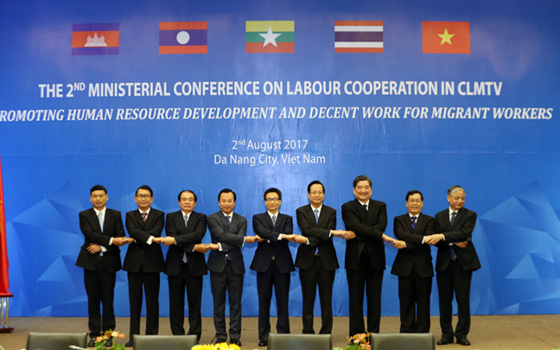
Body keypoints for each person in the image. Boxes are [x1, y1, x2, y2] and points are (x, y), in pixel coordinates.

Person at [338, 175, 394, 336]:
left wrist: (359, 233)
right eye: (359, 188)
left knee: (374, 299)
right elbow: (354, 225)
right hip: (355, 259)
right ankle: (356, 334)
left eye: (366, 187)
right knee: (355, 299)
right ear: (354, 190)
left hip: (376, 258)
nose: (363, 190)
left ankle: (373, 334)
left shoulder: (380, 206)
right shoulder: (347, 207)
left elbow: (381, 226)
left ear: (371, 189)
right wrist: (379, 235)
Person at [76, 185, 131, 347]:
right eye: (94, 196)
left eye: (101, 196)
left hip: (109, 263)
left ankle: (108, 335)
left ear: (107, 197)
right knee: (93, 301)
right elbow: (89, 234)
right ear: (90, 198)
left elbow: (120, 237)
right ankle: (93, 335)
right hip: (90, 263)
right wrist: (111, 240)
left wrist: (103, 246)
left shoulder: (115, 214)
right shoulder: (84, 215)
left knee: (108, 301)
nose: (98, 199)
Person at [426, 185, 481, 346]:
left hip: (463, 263)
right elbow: (434, 241)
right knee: (444, 301)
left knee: (463, 300)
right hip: (445, 263)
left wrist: (443, 236)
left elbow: (465, 234)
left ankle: (462, 334)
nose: (460, 201)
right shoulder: (439, 216)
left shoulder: (470, 214)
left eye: (462, 198)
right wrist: (452, 240)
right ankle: (447, 334)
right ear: (448, 198)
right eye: (457, 198)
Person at [290, 180, 345, 334]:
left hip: (326, 261)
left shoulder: (331, 211)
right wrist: (328, 232)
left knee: (326, 300)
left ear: (324, 194)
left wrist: (308, 239)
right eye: (313, 192)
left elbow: (327, 235)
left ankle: (326, 333)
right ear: (308, 194)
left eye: (320, 192)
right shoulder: (301, 211)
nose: (317, 194)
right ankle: (308, 332)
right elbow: (306, 229)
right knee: (308, 299)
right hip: (307, 261)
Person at [207, 189, 260, 345]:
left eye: (230, 201)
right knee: (218, 304)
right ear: (219, 202)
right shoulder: (212, 218)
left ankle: (235, 336)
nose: (227, 204)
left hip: (236, 266)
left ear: (234, 202)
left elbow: (237, 241)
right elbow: (225, 236)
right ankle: (221, 336)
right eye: (223, 201)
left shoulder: (242, 219)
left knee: (236, 304)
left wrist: (219, 246)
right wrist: (241, 239)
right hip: (217, 266)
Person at [159, 190, 208, 343]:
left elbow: (197, 235)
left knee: (195, 305)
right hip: (175, 267)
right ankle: (179, 337)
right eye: (184, 199)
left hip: (195, 267)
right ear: (179, 202)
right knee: (175, 305)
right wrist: (193, 247)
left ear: (195, 203)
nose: (187, 202)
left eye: (191, 199)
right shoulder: (171, 217)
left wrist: (176, 241)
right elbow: (170, 235)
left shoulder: (201, 217)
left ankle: (194, 337)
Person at [250, 188, 295, 346]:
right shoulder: (257, 217)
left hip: (282, 264)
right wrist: (280, 235)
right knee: (264, 302)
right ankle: (263, 336)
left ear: (280, 201)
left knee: (283, 301)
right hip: (264, 265)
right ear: (265, 202)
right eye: (269, 199)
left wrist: (269, 237)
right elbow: (260, 231)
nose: (272, 202)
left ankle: (283, 335)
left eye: (275, 199)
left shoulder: (287, 218)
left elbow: (288, 235)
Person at [122, 185, 165, 347]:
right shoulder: (129, 215)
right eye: (140, 195)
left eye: (147, 196)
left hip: (153, 263)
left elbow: (157, 230)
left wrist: (143, 237)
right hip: (133, 264)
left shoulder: (159, 214)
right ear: (135, 198)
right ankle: (134, 337)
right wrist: (150, 239)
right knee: (135, 302)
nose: (143, 198)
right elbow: (132, 230)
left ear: (152, 199)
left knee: (152, 301)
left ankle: (151, 337)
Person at [390, 190, 435, 333]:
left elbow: (429, 237)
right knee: (405, 302)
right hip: (404, 267)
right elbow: (400, 234)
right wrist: (422, 239)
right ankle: (407, 332)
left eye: (418, 201)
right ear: (406, 203)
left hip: (424, 267)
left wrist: (406, 244)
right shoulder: (399, 219)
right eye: (412, 201)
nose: (414, 203)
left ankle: (422, 334)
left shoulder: (430, 220)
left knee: (423, 302)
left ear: (422, 204)